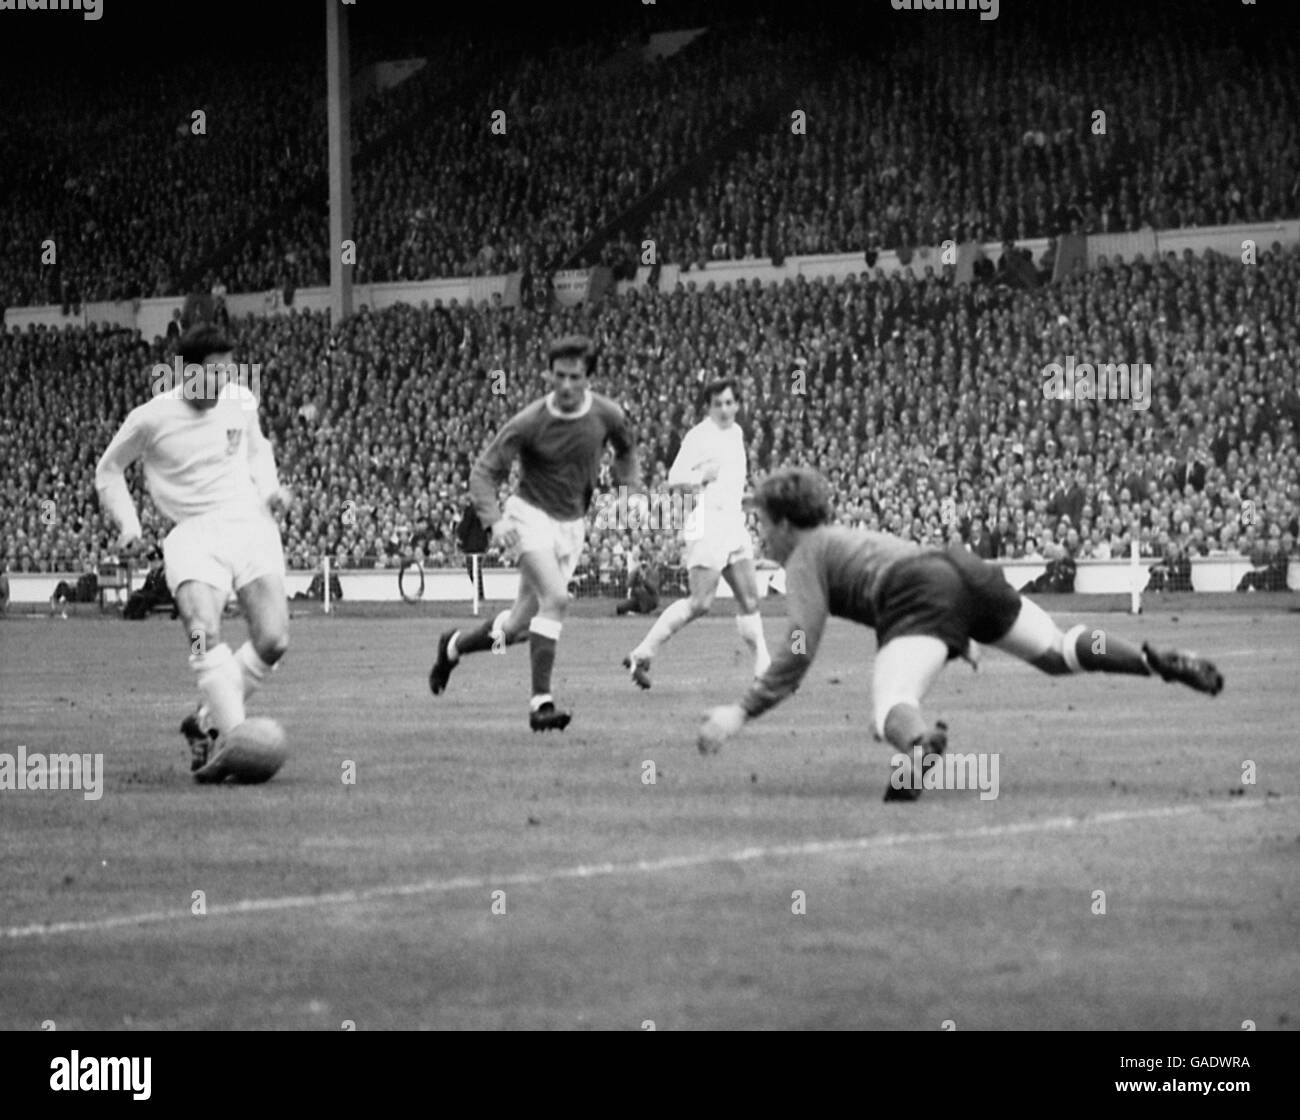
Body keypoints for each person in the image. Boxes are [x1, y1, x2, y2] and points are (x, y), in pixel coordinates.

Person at [697, 468, 1224, 800]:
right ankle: (1154, 660)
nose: (760, 534)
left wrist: (741, 710)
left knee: (890, 708)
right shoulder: (852, 537)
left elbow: (798, 647)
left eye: (763, 522)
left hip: (919, 594)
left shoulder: (806, 557)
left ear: (787, 524)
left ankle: (920, 746)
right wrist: (963, 629)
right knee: (1060, 650)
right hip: (964, 572)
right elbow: (936, 578)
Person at [95, 324, 292, 781]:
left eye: (227, 372)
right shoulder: (150, 417)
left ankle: (204, 722)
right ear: (184, 372)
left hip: (250, 525)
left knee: (274, 641)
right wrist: (129, 524)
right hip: (194, 536)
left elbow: (257, 448)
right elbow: (109, 471)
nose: (221, 383)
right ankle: (234, 740)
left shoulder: (241, 400)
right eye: (212, 374)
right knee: (203, 631)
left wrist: (271, 490)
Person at [428, 335, 640, 731]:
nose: (565, 385)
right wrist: (496, 521)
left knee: (516, 628)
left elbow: (626, 452)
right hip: (527, 516)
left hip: (571, 525)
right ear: (548, 374)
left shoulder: (608, 415)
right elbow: (484, 472)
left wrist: (629, 493)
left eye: (575, 377)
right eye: (558, 376)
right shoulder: (529, 421)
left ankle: (453, 646)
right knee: (557, 599)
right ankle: (541, 705)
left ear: (587, 378)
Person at [623, 378, 771, 688]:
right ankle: (642, 652)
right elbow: (675, 478)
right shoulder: (698, 436)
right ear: (709, 407)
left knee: (750, 599)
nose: (725, 409)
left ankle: (764, 670)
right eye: (718, 404)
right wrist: (702, 474)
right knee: (701, 603)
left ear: (738, 404)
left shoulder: (737, 433)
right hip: (706, 523)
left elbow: (729, 483)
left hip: (732, 521)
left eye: (730, 403)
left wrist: (749, 500)